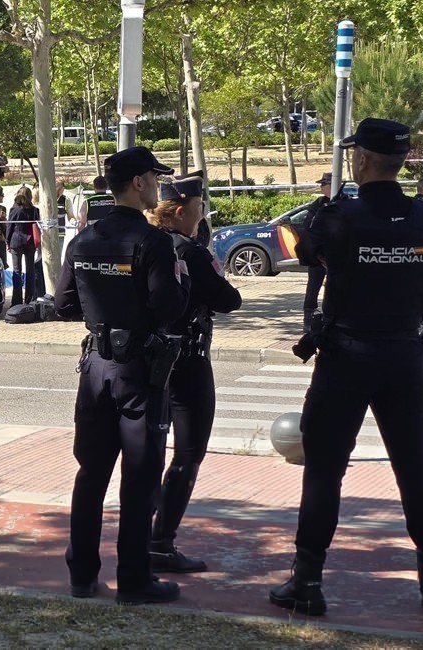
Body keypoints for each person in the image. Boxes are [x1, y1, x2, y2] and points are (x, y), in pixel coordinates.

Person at [269, 118, 423, 619]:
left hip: (347, 356)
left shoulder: (339, 217)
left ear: (363, 160)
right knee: (415, 470)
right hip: (404, 357)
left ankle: (306, 582)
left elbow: (300, 250)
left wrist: (323, 217)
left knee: (324, 472)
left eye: (354, 154)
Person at [55, 145, 187, 605]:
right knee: (139, 475)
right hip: (138, 372)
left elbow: (64, 305)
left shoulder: (84, 239)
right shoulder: (153, 242)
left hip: (95, 368)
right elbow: (170, 307)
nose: (158, 186)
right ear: (138, 183)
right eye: (155, 178)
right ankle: (134, 579)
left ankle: (82, 575)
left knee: (90, 474)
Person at [145, 172, 242, 573]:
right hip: (186, 361)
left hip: (146, 360)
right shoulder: (191, 252)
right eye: (200, 208)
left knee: (145, 451)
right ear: (183, 210)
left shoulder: (147, 244)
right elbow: (228, 300)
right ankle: (161, 542)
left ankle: (140, 537)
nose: (203, 216)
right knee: (188, 452)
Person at [302, 173, 333, 332]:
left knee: (335, 287)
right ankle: (308, 319)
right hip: (318, 255)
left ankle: (331, 317)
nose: (321, 187)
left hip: (336, 256)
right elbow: (308, 227)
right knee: (313, 287)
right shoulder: (318, 204)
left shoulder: (343, 203)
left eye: (324, 184)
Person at [5, 186, 38, 306]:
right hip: (30, 242)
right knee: (30, 270)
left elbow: (10, 227)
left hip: (16, 241)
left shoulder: (14, 209)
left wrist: (7, 241)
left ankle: (16, 301)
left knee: (17, 271)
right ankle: (30, 299)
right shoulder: (35, 210)